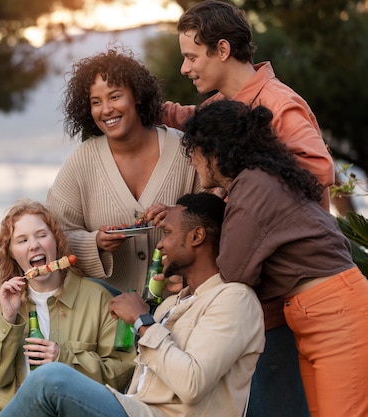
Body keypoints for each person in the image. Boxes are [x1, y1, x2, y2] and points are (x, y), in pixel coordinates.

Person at [0, 192, 265, 417]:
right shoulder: (172, 303)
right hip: (135, 407)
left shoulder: (234, 299)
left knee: (50, 380)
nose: (160, 244)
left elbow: (192, 383)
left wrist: (143, 322)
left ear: (196, 237)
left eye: (168, 233)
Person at [181, 99, 368, 417]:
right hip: (319, 314)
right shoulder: (254, 182)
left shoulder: (253, 189)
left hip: (336, 317)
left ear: (214, 151)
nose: (191, 159)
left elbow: (233, 274)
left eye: (194, 150)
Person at [46, 46, 201, 295]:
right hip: (107, 319)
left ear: (137, 95)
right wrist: (94, 242)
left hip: (182, 309)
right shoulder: (81, 161)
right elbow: (54, 234)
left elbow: (212, 222)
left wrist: (176, 216)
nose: (106, 109)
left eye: (115, 96)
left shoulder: (184, 150)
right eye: (96, 102)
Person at [160, 0, 334, 212]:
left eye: (191, 58)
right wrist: (144, 107)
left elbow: (321, 171)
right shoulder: (223, 102)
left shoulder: (279, 104)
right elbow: (189, 118)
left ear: (223, 49)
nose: (184, 69)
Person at [0, 199, 135, 417]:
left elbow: (123, 370)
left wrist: (64, 357)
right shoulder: (2, 301)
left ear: (56, 240)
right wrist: (8, 320)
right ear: (11, 252)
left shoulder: (99, 299)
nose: (34, 245)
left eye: (42, 235)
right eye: (22, 240)